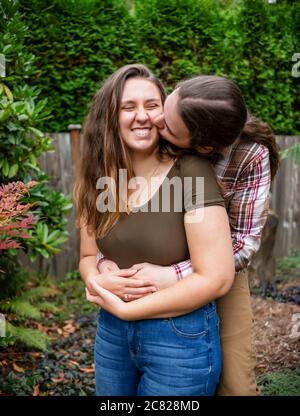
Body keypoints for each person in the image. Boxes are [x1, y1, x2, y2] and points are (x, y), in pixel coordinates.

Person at [95, 74, 280, 395]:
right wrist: (103, 263)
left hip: (224, 266)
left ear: (202, 145)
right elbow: (125, 203)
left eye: (166, 125)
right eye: (162, 109)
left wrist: (175, 274)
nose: (155, 121)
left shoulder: (250, 155)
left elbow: (244, 243)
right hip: (167, 257)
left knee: (236, 385)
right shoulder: (184, 109)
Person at [75, 64, 235, 396]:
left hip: (178, 338)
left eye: (152, 105)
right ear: (111, 116)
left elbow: (217, 276)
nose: (142, 116)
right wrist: (96, 277)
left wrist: (128, 308)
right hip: (112, 335)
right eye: (128, 107)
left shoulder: (190, 172)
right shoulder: (99, 177)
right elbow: (89, 256)